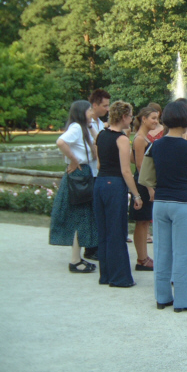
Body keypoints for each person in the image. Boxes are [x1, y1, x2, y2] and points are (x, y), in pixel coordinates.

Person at [151, 102, 187, 312]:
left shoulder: (156, 145)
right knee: (183, 253)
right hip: (183, 202)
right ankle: (183, 301)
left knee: (161, 251)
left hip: (160, 201)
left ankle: (162, 297)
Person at [94, 101, 142, 288]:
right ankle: (120, 277)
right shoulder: (121, 139)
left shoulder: (101, 135)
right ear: (123, 117)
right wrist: (136, 194)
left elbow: (99, 164)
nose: (131, 119)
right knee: (117, 230)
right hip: (114, 185)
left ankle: (106, 274)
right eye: (130, 116)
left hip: (100, 183)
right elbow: (126, 170)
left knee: (104, 230)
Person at [49, 100, 99, 273]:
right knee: (79, 216)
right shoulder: (77, 128)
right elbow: (60, 142)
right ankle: (75, 261)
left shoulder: (83, 128)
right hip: (79, 174)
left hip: (83, 174)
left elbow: (98, 141)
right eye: (89, 110)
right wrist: (74, 159)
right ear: (81, 112)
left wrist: (90, 125)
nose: (92, 112)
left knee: (81, 216)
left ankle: (76, 257)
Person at [129, 106, 159, 271]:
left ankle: (144, 257)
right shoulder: (140, 138)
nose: (156, 121)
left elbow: (133, 159)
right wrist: (149, 188)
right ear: (144, 119)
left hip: (143, 182)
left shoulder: (141, 137)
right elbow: (140, 165)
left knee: (145, 221)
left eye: (157, 118)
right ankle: (142, 258)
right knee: (142, 222)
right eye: (153, 118)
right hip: (143, 183)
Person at [83, 89, 111, 261]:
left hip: (99, 172)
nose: (107, 109)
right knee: (91, 211)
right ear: (95, 105)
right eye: (105, 106)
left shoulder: (100, 123)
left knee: (98, 210)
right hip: (90, 172)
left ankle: (97, 245)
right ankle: (91, 247)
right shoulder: (84, 124)